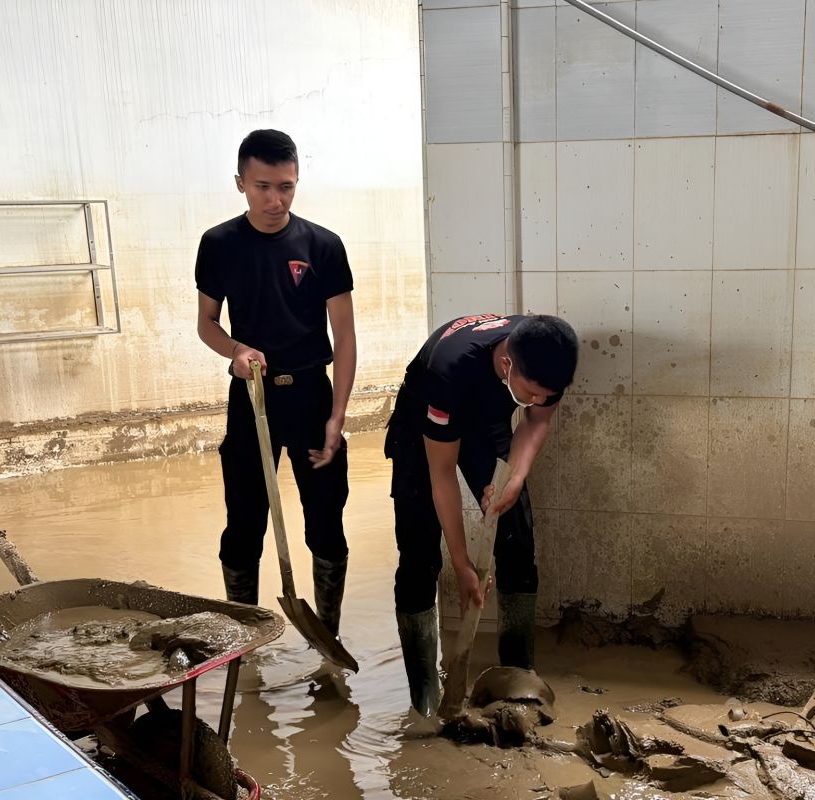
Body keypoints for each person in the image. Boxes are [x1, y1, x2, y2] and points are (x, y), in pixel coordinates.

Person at [195, 129, 356, 638]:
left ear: (297, 181)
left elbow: (345, 336)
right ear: (240, 183)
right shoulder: (219, 244)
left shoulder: (323, 245)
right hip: (252, 398)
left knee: (325, 523)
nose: (275, 200)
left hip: (311, 397)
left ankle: (327, 635)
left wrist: (337, 418)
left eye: (286, 187)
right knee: (244, 524)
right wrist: (236, 352)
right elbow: (207, 324)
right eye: (262, 186)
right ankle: (243, 640)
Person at [385, 313, 578, 715]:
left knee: (516, 534)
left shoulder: (548, 354)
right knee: (419, 553)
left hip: (484, 420)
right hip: (423, 422)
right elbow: (442, 474)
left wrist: (516, 477)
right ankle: (425, 698)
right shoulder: (448, 371)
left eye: (547, 394)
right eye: (532, 391)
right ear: (507, 365)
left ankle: (518, 681)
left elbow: (537, 419)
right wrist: (461, 563)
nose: (539, 399)